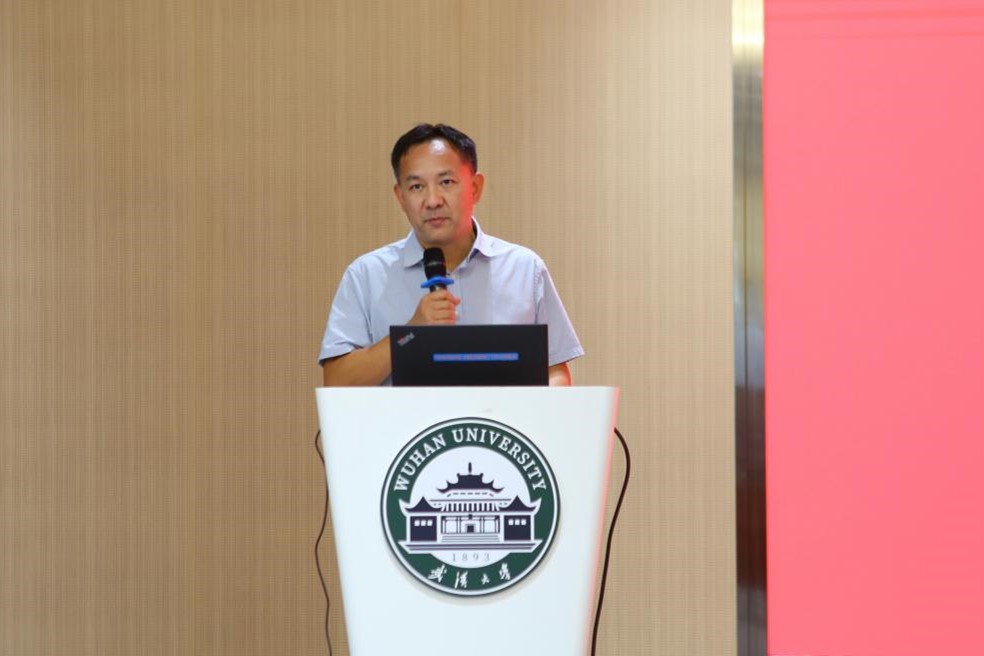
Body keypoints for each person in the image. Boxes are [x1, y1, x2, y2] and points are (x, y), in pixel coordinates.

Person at [319, 123, 583, 386]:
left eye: (446, 182)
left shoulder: (524, 269)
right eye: (416, 187)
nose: (433, 200)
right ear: (400, 197)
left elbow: (556, 372)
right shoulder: (366, 275)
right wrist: (410, 334)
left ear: (475, 187)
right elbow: (336, 381)